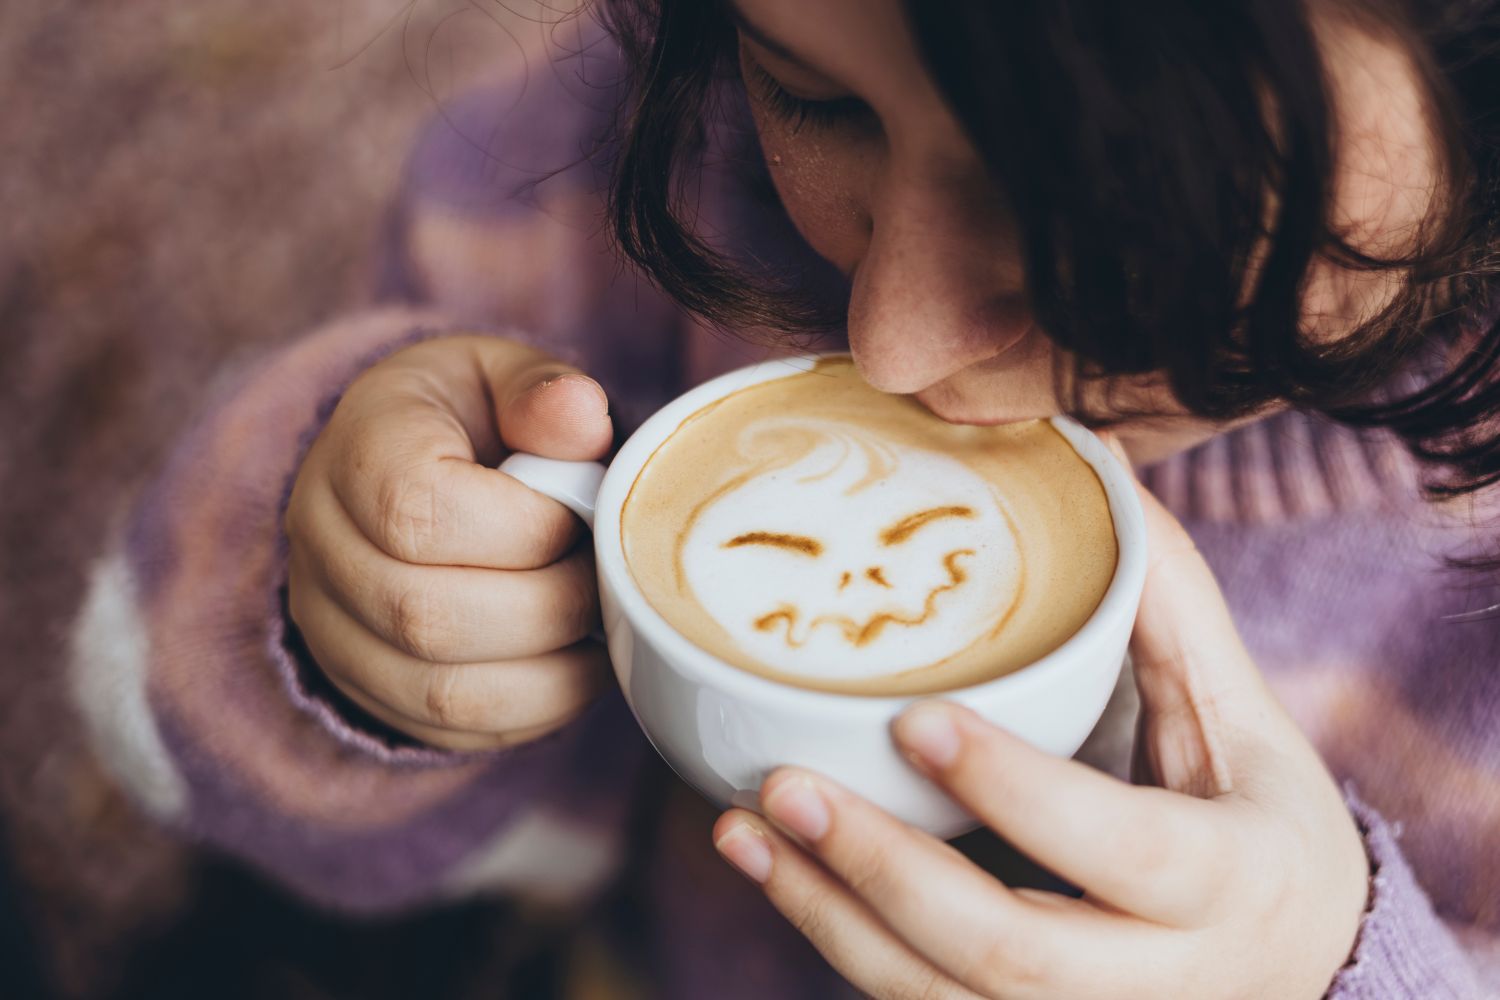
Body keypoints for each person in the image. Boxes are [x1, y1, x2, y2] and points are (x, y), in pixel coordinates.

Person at [65, 0, 1496, 995]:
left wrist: (1331, 966)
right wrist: (352, 606)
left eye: (1122, 231)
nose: (893, 338)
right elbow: (173, 712)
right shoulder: (660, 133)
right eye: (816, 100)